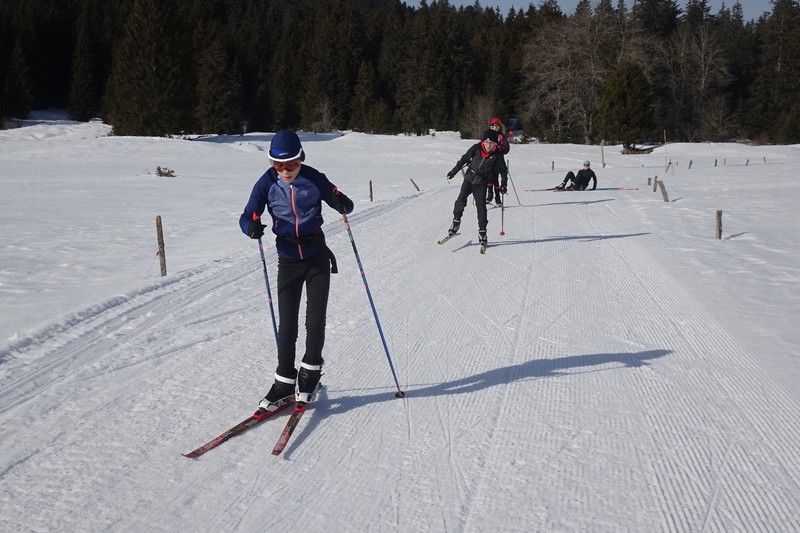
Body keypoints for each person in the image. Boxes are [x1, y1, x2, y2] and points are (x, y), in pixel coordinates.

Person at [239, 129, 354, 409]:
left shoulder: (314, 178)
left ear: (300, 159)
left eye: (291, 164)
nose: (285, 171)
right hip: (288, 259)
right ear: (271, 164)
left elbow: (345, 203)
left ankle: (311, 372)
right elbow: (246, 216)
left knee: (315, 321)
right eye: (278, 165)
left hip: (316, 258)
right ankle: (284, 382)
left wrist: (341, 202)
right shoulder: (266, 184)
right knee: (287, 324)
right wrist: (250, 227)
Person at [444, 129, 509, 247]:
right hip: (469, 178)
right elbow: (464, 159)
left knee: (481, 207)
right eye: (486, 142)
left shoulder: (498, 155)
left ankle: (482, 232)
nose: (488, 145)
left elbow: (503, 171)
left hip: (481, 182)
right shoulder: (476, 148)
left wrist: (504, 185)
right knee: (460, 200)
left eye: (492, 143)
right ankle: (456, 223)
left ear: (496, 144)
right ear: (483, 142)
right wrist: (453, 172)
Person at [485, 117, 510, 206]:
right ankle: (490, 195)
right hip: (489, 159)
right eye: (493, 127)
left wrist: (500, 148)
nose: (494, 129)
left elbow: (506, 148)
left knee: (496, 178)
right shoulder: (488, 134)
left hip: (498, 159)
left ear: (499, 127)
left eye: (496, 127)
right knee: (489, 177)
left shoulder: (501, 136)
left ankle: (498, 198)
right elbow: (482, 144)